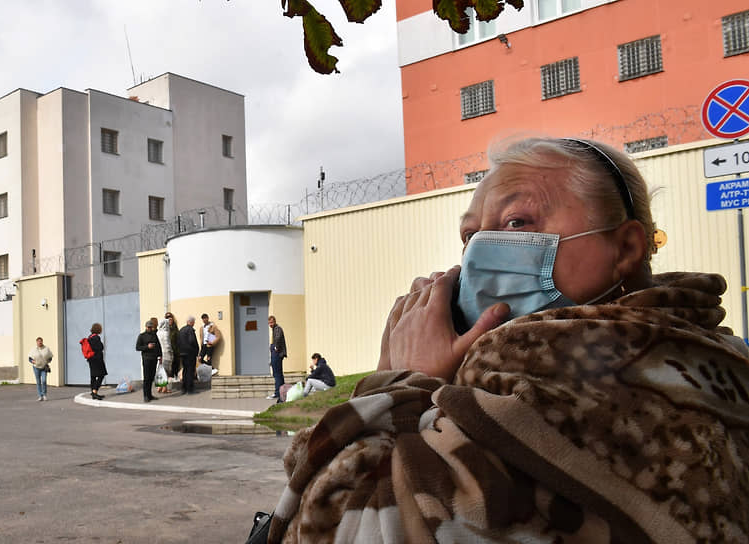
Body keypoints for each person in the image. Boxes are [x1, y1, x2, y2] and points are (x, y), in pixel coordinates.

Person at [267, 137, 749, 543]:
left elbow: (337, 523)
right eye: (470, 235)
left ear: (624, 248)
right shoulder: (711, 356)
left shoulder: (538, 385)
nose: (479, 250)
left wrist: (397, 383)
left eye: (518, 222)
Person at [135, 320, 162, 402]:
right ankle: (145, 396)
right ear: (146, 327)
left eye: (151, 327)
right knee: (146, 378)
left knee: (151, 378)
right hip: (146, 359)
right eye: (149, 327)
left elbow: (158, 345)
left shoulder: (154, 335)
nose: (150, 328)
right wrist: (147, 347)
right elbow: (138, 347)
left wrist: (160, 355)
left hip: (154, 359)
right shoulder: (142, 336)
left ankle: (150, 395)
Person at [157, 313, 178, 394]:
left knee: (161, 370)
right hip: (166, 353)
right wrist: (171, 352)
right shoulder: (165, 333)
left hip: (160, 354)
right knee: (166, 371)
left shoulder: (158, 333)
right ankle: (164, 388)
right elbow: (167, 345)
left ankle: (160, 386)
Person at [177, 316, 199, 394]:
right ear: (191, 322)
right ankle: (190, 389)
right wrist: (196, 350)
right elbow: (192, 341)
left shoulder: (181, 330)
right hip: (190, 353)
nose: (194, 323)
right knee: (190, 371)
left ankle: (184, 388)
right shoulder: (190, 330)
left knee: (185, 370)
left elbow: (178, 342)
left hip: (182, 354)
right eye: (194, 322)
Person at [85, 323, 107, 400]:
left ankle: (93, 392)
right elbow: (100, 347)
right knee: (102, 375)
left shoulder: (89, 337)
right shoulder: (96, 338)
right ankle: (94, 391)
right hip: (97, 359)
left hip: (91, 359)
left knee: (93, 376)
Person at [267, 316, 286, 400]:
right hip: (275, 354)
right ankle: (282, 392)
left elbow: (278, 338)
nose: (270, 324)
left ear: (274, 321)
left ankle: (277, 393)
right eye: (269, 323)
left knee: (277, 374)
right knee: (279, 374)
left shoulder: (277, 329)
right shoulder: (274, 329)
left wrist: (276, 347)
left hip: (277, 354)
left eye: (271, 322)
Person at [28, 337, 53, 401]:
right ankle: (40, 396)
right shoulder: (33, 349)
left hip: (44, 367)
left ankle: (44, 395)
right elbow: (29, 358)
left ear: (42, 341)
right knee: (38, 382)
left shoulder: (46, 349)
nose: (40, 342)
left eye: (41, 341)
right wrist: (32, 361)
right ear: (36, 342)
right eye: (38, 341)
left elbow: (50, 356)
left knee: (44, 381)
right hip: (36, 367)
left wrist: (49, 360)